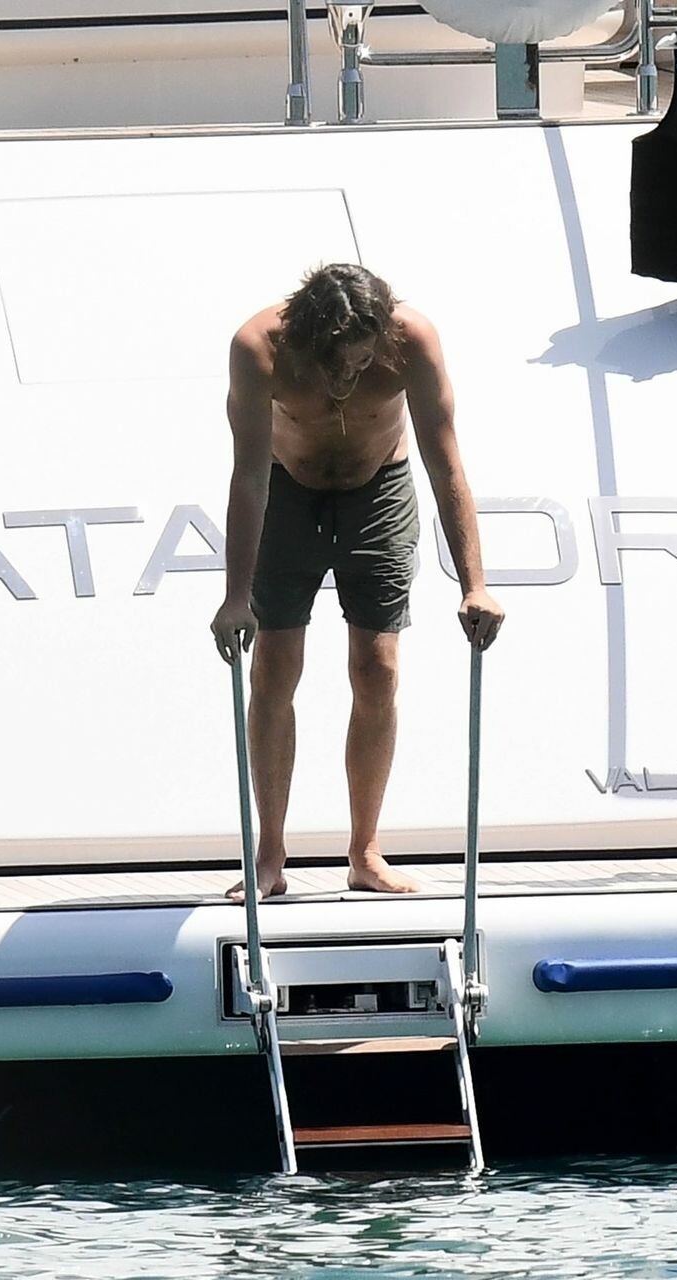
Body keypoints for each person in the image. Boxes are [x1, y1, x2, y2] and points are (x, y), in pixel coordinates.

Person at [209, 264, 504, 902]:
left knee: (377, 669)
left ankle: (365, 851)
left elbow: (444, 458)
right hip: (286, 490)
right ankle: (269, 853)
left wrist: (474, 583)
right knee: (274, 669)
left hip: (378, 490)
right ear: (307, 337)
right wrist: (235, 597)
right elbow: (248, 474)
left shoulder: (412, 341)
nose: (347, 379)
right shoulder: (258, 348)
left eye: (362, 362)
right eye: (335, 366)